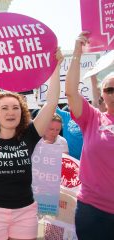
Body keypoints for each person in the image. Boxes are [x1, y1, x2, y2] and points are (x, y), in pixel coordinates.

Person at [0, 43, 62, 240]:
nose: (11, 112)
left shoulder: (30, 134)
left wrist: (56, 66)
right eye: (4, 108)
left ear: (23, 112)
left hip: (25, 212)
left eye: (16, 108)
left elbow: (51, 102)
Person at [65, 32, 114, 240]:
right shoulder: (92, 119)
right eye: (109, 89)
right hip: (92, 211)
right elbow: (71, 92)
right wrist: (77, 53)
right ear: (102, 94)